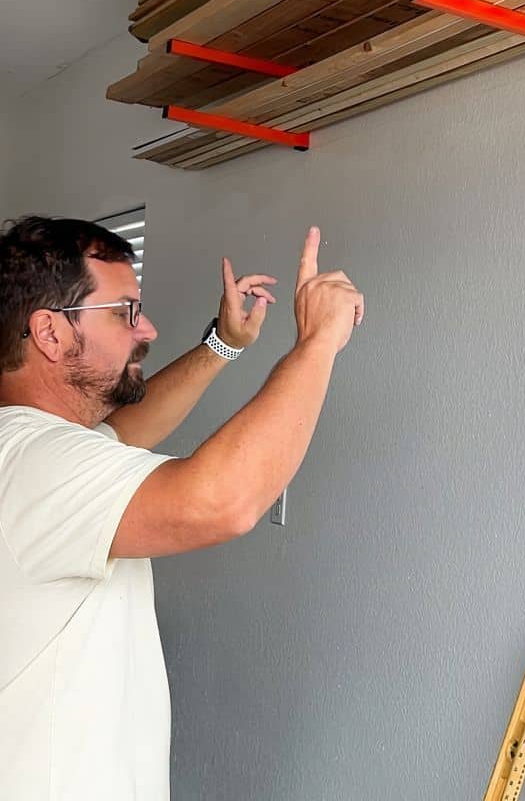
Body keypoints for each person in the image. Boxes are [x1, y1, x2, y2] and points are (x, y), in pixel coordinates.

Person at [0, 214, 364, 801]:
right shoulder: (36, 462)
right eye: (124, 312)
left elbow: (124, 432)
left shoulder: (40, 447)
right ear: (51, 332)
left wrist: (223, 344)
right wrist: (319, 342)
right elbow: (222, 502)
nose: (145, 328)